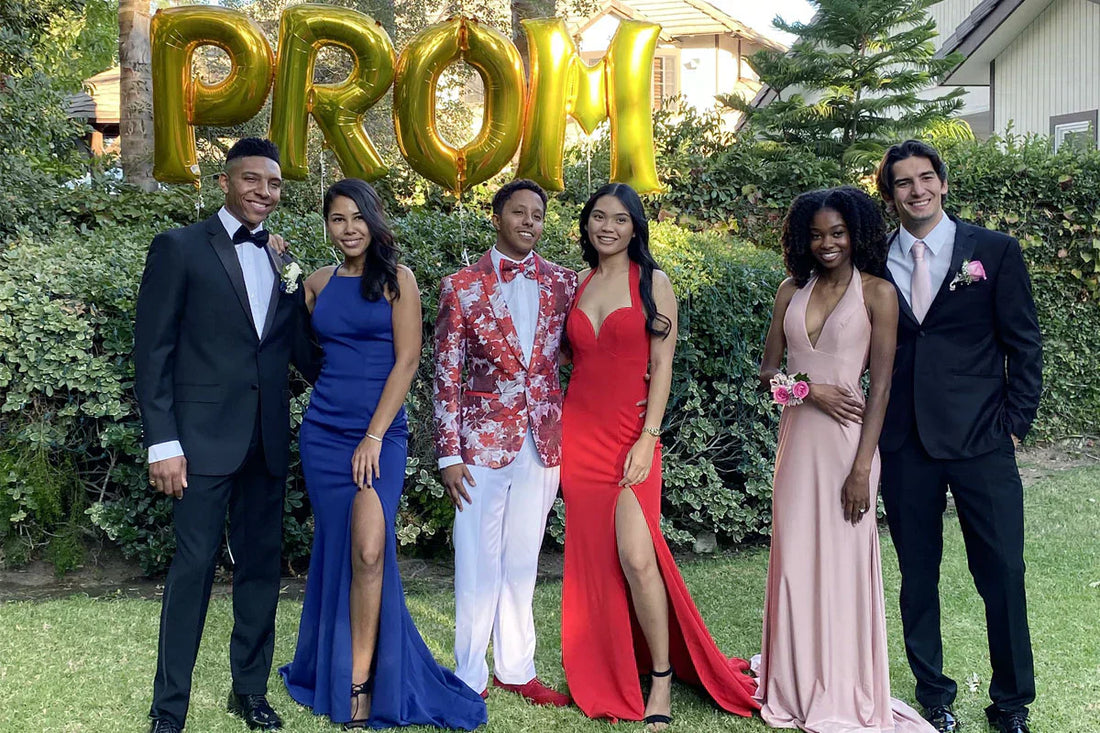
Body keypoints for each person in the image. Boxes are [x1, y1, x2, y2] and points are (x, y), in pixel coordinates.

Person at [279, 179, 487, 730]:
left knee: (370, 551)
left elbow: (408, 361)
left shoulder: (399, 281)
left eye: (356, 218)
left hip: (379, 438)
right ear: (326, 226)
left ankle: (360, 684)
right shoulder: (318, 284)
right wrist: (279, 270)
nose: (348, 229)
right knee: (337, 549)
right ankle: (334, 669)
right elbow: (292, 346)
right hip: (323, 433)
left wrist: (372, 436)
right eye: (336, 219)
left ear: (373, 221)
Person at [134, 138, 318, 733]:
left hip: (265, 443)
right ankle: (169, 710)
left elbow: (297, 352)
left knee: (262, 571)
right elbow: (152, 352)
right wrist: (164, 443)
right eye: (253, 180)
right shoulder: (180, 248)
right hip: (199, 444)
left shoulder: (283, 260)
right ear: (225, 182)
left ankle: (250, 694)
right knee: (192, 571)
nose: (265, 192)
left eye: (275, 185)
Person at [560, 182, 759, 731]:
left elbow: (662, 364)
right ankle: (608, 663)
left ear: (635, 227)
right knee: (597, 561)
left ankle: (662, 677)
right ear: (586, 224)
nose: (607, 227)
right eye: (598, 217)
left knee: (638, 557)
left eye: (620, 220)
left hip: (631, 435)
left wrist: (648, 437)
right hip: (579, 437)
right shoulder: (577, 283)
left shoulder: (654, 284)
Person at [875, 140, 1042, 733]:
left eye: (925, 179)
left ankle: (1012, 703)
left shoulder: (993, 251)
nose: (916, 190)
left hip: (981, 441)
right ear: (889, 194)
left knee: (1002, 572)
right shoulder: (875, 261)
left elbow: (1024, 343)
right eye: (902, 182)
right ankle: (934, 696)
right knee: (917, 576)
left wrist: (1015, 424)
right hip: (904, 444)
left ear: (942, 185)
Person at [755, 186, 935, 732]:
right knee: (795, 563)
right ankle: (794, 680)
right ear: (801, 239)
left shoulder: (878, 293)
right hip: (798, 444)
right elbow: (768, 377)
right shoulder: (791, 289)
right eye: (816, 234)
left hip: (848, 450)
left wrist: (863, 469)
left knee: (840, 566)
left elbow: (879, 390)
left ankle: (841, 686)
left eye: (837, 233)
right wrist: (809, 390)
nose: (827, 243)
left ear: (855, 233)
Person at [433, 179, 576, 705]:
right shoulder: (462, 286)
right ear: (498, 218)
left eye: (537, 215)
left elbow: (576, 353)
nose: (529, 223)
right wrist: (448, 451)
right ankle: (470, 674)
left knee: (523, 561)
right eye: (519, 213)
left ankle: (517, 668)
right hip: (477, 448)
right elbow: (445, 374)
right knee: (475, 560)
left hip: (542, 443)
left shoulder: (565, 283)